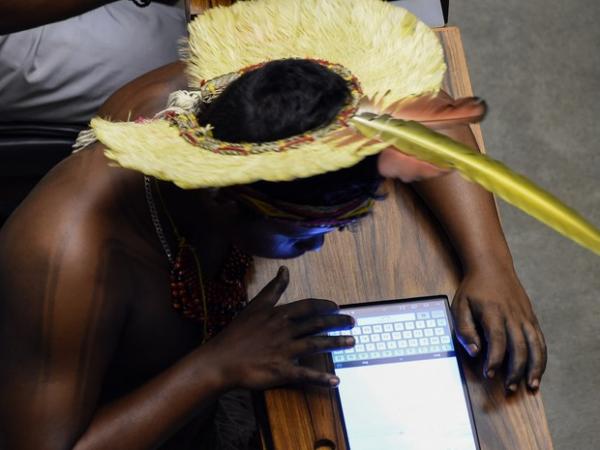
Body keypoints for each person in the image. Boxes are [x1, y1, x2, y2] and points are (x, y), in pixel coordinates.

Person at [0, 56, 546, 449]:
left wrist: (491, 265)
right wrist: (215, 368)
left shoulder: (249, 97)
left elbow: (426, 118)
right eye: (304, 234)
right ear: (224, 199)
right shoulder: (66, 259)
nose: (317, 246)